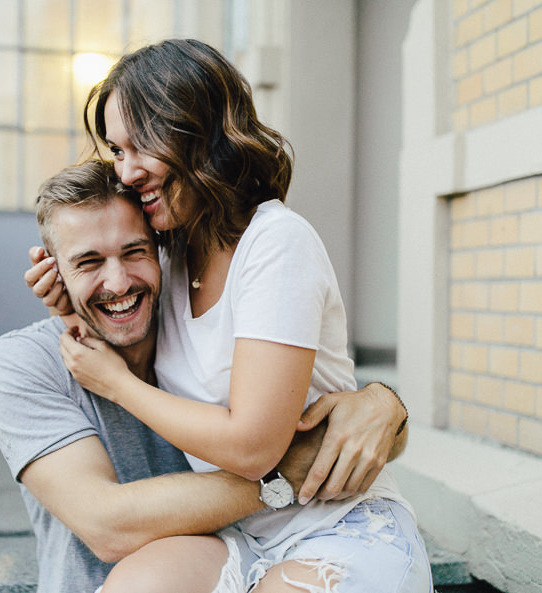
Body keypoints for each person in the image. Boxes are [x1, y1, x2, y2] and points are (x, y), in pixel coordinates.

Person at [28, 39, 432, 592]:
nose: (127, 172)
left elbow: (251, 445)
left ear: (202, 131)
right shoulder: (168, 254)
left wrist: (118, 386)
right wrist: (71, 300)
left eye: (141, 144)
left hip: (335, 523)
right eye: (116, 152)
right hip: (235, 532)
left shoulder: (275, 242)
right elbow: (121, 307)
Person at [0, 159, 411, 593]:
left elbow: (318, 409)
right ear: (52, 270)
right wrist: (284, 475)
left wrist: (383, 404)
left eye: (134, 252)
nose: (117, 283)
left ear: (161, 252)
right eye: (88, 262)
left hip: (263, 560)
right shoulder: (24, 364)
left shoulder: (191, 322)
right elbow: (107, 525)